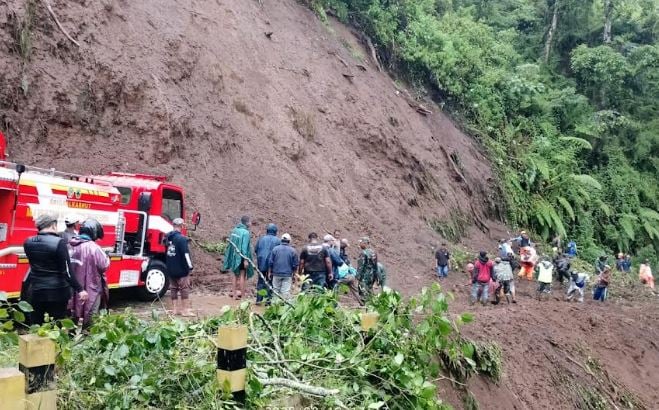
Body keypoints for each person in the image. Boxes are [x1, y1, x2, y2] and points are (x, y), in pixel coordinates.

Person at [23, 215, 88, 324]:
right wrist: (80, 289)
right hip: (57, 292)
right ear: (53, 225)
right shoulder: (59, 242)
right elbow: (67, 271)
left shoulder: (28, 242)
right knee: (57, 324)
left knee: (36, 323)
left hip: (35, 290)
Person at [68, 219, 110, 325]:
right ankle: (88, 338)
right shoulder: (94, 248)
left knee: (70, 316)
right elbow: (104, 265)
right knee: (91, 317)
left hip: (71, 287)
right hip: (91, 288)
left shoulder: (69, 244)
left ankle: (70, 337)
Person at [165, 218, 194, 315]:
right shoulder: (182, 239)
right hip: (181, 268)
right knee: (184, 288)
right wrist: (190, 267)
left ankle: (174, 310)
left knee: (173, 288)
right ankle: (185, 310)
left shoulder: (168, 237)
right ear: (181, 226)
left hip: (170, 267)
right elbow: (186, 254)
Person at [223, 216, 254, 300]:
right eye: (250, 221)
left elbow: (230, 245)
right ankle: (243, 296)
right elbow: (244, 248)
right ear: (247, 223)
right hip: (241, 257)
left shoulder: (234, 230)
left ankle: (234, 295)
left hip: (233, 256)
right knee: (242, 275)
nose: (251, 223)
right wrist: (245, 260)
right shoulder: (246, 233)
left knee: (234, 275)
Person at [254, 223, 281, 304]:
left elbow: (256, 250)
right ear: (275, 231)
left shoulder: (261, 239)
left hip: (261, 263)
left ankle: (259, 300)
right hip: (272, 265)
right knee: (270, 281)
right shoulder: (278, 240)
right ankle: (268, 301)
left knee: (261, 281)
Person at [268, 233, 299, 301]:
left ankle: (275, 307)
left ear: (281, 240)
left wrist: (269, 272)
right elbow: (295, 265)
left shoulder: (275, 249)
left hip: (276, 274)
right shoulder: (293, 251)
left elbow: (270, 262)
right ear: (289, 241)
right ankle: (284, 308)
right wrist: (294, 275)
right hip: (287, 275)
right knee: (285, 292)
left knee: (276, 291)